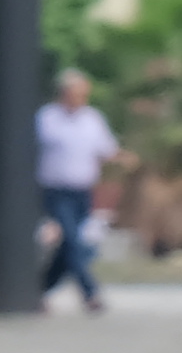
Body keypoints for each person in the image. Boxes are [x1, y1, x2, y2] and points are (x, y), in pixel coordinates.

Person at [35, 71, 121, 312]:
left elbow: (106, 150)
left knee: (69, 247)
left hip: (83, 191)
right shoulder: (47, 118)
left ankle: (38, 289)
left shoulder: (93, 119)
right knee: (72, 241)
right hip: (56, 189)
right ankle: (90, 293)